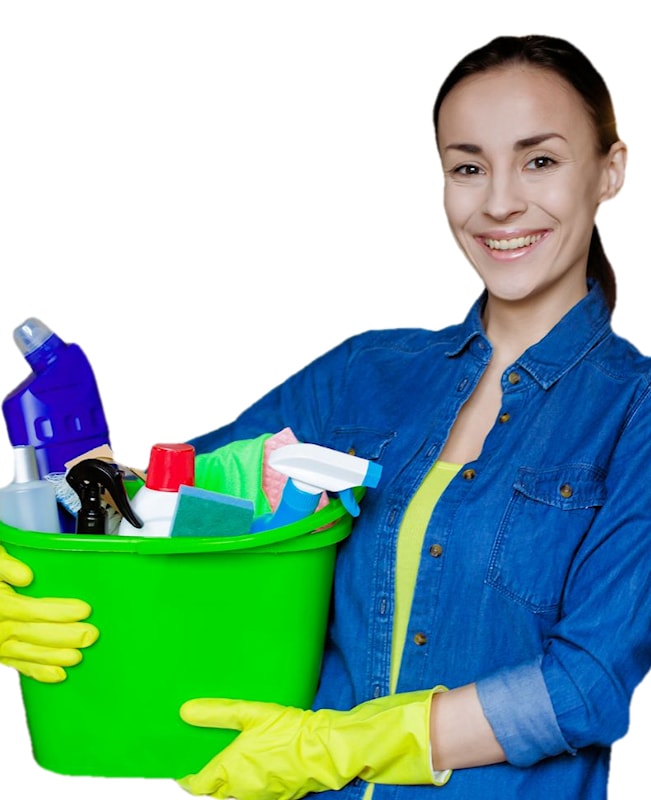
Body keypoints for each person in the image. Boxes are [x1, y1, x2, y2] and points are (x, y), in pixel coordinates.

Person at [1, 32, 650, 800]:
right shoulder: (363, 376)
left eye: (538, 160)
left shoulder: (631, 413)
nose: (500, 200)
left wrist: (333, 746)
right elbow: (158, 514)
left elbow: (584, 684)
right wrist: (42, 564)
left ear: (608, 171)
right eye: (467, 167)